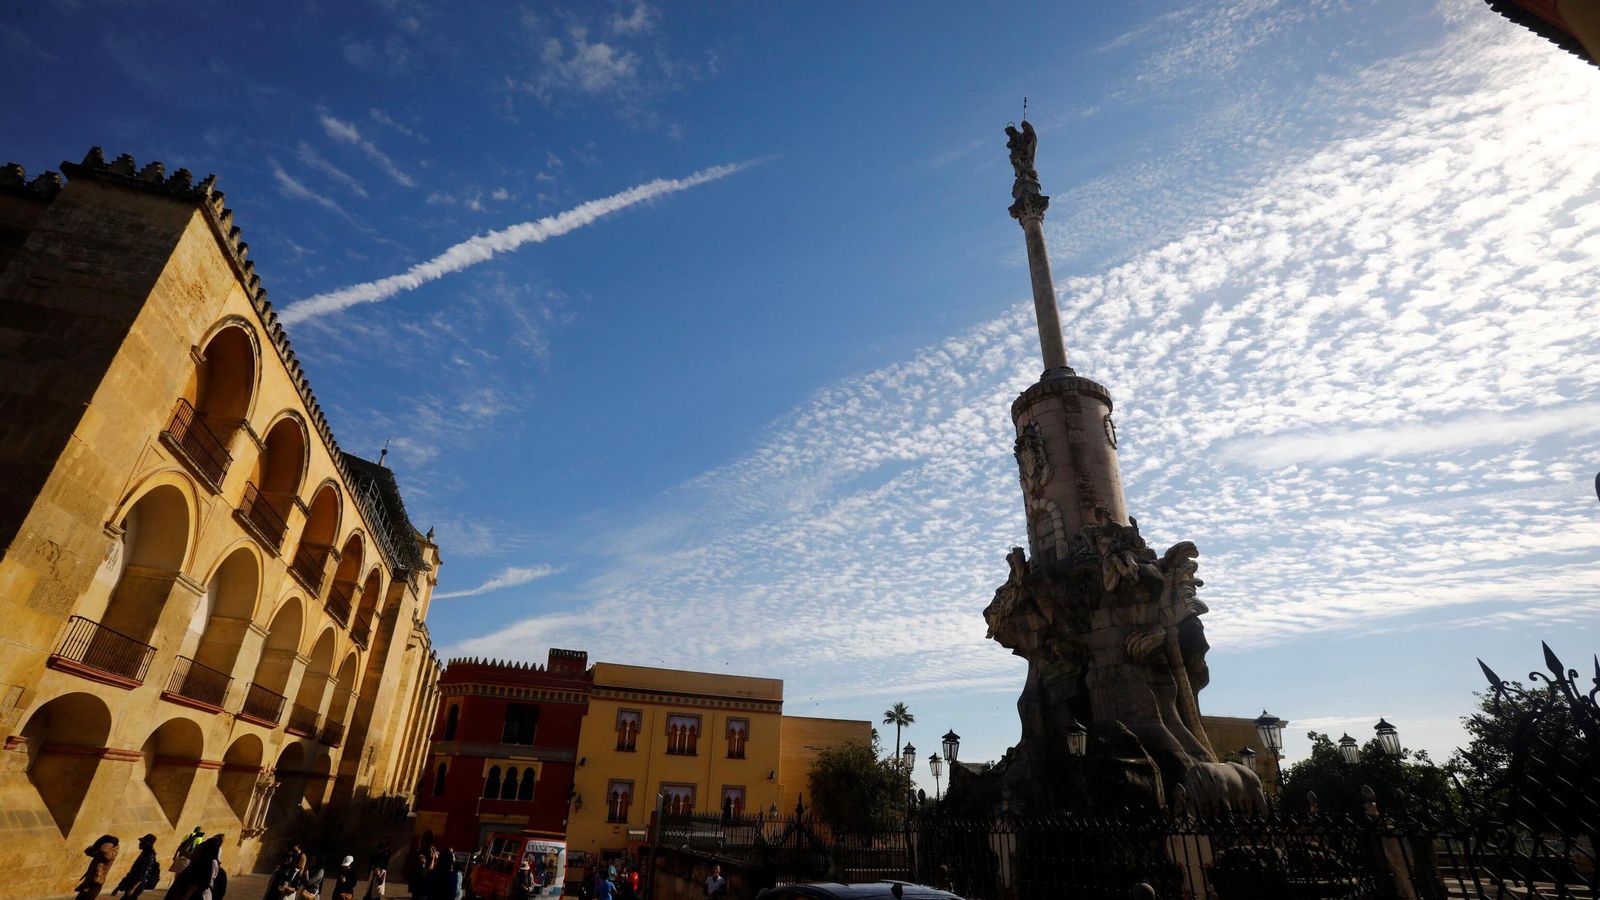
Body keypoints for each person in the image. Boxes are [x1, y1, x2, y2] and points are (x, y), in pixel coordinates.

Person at [168, 834, 224, 900]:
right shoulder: (199, 862)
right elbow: (185, 852)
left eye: (199, 850)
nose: (197, 851)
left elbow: (198, 884)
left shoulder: (207, 863)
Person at [112, 834, 160, 899]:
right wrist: (119, 887)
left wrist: (132, 889)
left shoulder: (149, 856)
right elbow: (132, 872)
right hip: (132, 883)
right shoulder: (143, 854)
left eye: (142, 842)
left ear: (146, 845)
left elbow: (143, 876)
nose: (139, 844)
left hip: (137, 885)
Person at [76, 834, 120, 900]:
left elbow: (106, 855)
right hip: (90, 880)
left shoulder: (111, 853)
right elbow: (88, 852)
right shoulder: (100, 852)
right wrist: (96, 845)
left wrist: (106, 845)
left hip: (96, 883)